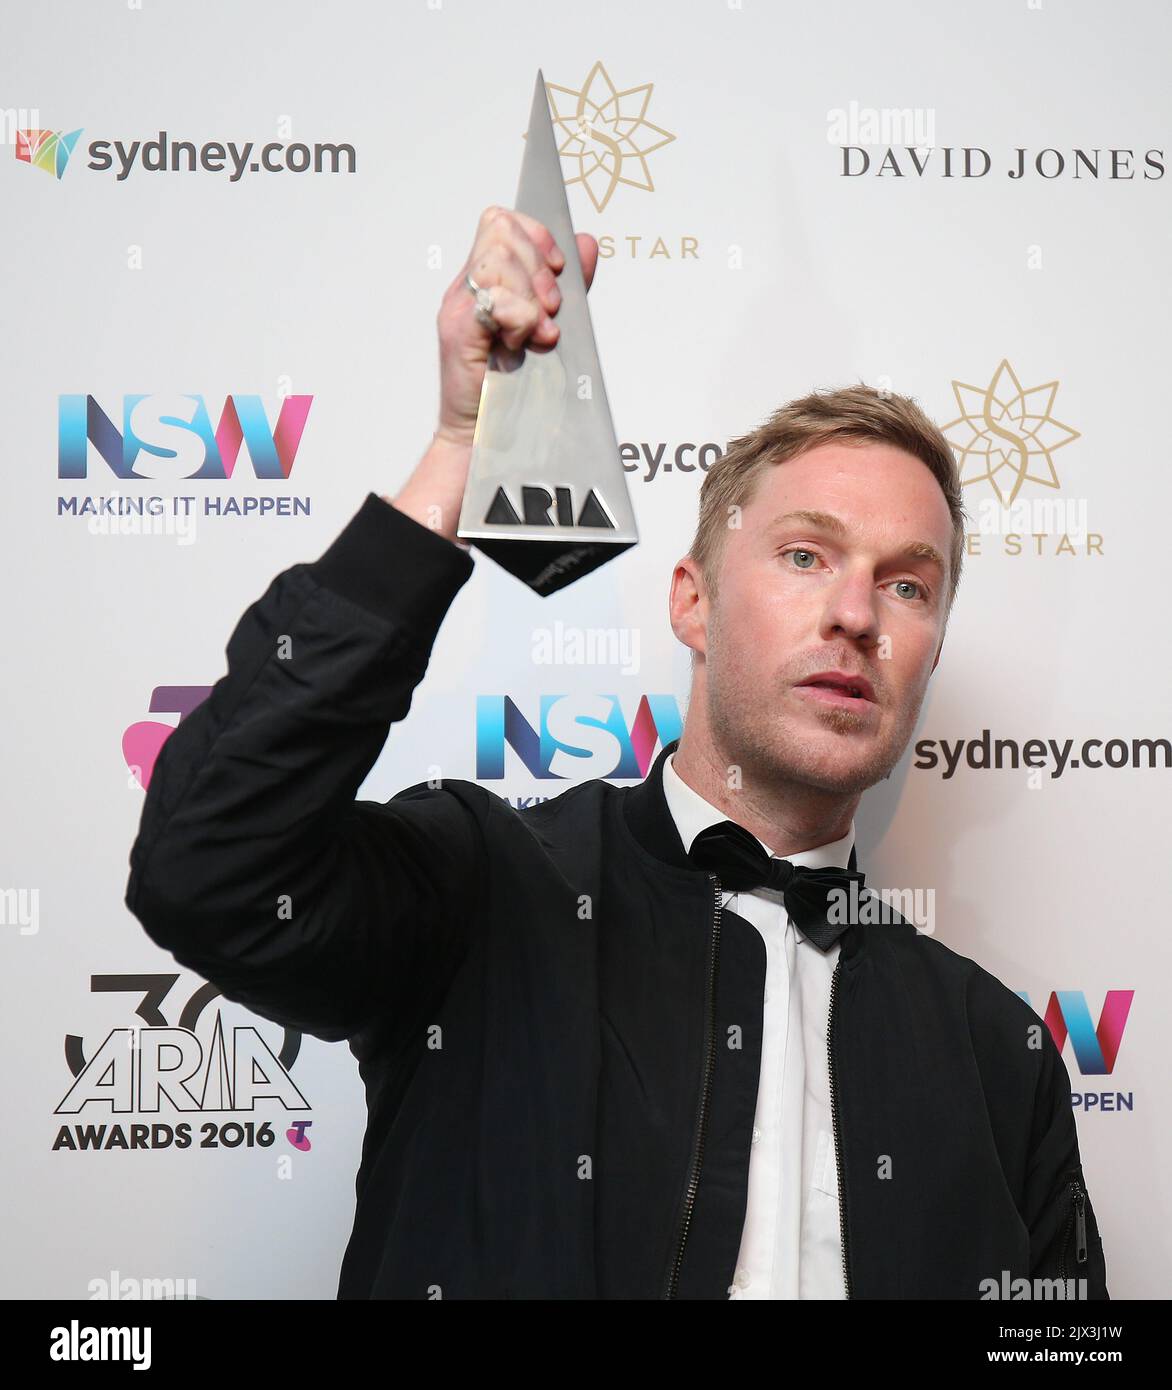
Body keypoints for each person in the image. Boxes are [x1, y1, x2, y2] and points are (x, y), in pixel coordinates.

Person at [124, 205, 1108, 1300]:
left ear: (928, 649)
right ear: (690, 604)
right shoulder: (483, 890)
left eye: (907, 583)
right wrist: (459, 454)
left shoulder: (994, 1049)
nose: (853, 612)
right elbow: (206, 865)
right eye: (801, 553)